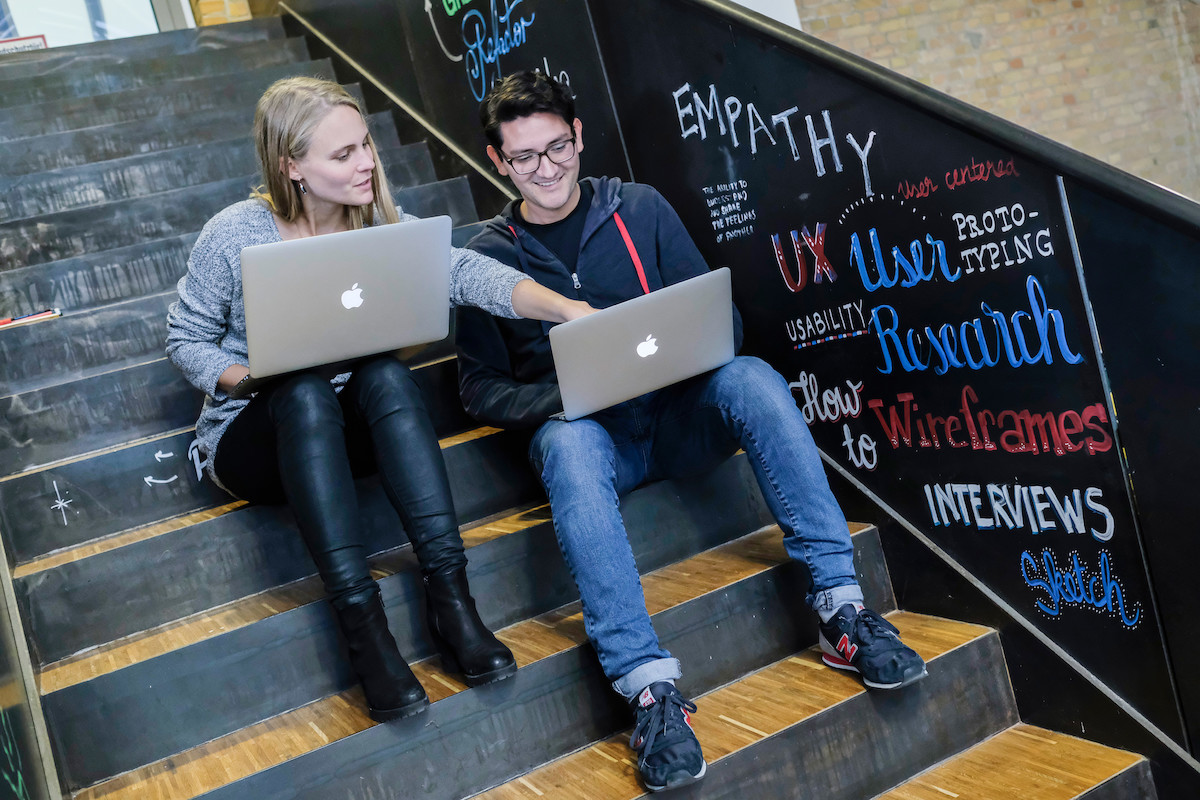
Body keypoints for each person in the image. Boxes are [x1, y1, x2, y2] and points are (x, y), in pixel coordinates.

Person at [455, 70, 928, 791]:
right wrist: (563, 399)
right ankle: (649, 692)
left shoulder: (639, 209)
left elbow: (724, 326)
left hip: (678, 421)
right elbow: (477, 389)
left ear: (580, 137)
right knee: (566, 443)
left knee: (753, 378)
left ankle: (843, 609)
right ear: (497, 161)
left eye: (557, 149)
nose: (546, 170)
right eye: (525, 158)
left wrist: (688, 348)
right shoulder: (485, 256)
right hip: (594, 443)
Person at [166, 77, 592, 723]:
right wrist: (253, 378)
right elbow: (186, 338)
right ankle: (362, 628)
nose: (366, 162)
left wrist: (564, 309)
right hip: (257, 437)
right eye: (343, 155)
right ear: (292, 167)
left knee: (388, 377)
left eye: (365, 145)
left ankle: (452, 600)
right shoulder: (236, 234)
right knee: (304, 389)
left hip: (355, 432)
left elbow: (468, 272)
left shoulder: (384, 226)